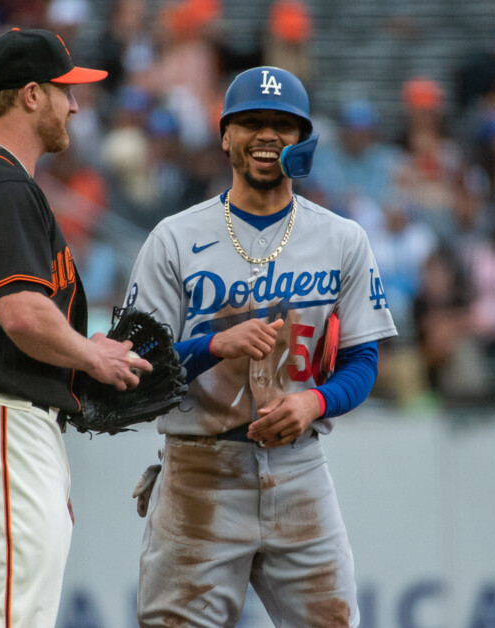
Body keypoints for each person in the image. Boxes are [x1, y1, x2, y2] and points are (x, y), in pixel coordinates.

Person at [125, 66, 398, 627]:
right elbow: (134, 367)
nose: (268, 135)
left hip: (299, 471)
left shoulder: (342, 239)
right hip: (199, 472)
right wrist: (212, 345)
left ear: (304, 140)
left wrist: (314, 402)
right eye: (251, 122)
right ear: (225, 135)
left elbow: (363, 362)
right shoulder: (174, 239)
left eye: (283, 124)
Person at [0, 28, 152, 628]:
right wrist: (90, 357)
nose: (75, 104)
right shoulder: (1, 182)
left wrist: (79, 347)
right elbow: (21, 311)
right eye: (64, 90)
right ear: (30, 95)